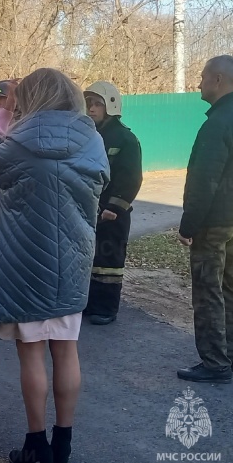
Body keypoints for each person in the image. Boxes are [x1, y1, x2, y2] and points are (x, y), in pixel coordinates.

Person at [0, 68, 109, 463]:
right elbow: (101, 180)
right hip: (71, 258)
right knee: (66, 350)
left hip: (22, 260)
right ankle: (63, 447)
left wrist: (2, 120)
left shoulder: (17, 138)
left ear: (26, 99)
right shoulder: (92, 137)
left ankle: (38, 448)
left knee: (31, 354)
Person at [176, 55, 233, 383]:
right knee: (230, 286)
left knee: (209, 290)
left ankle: (214, 363)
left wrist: (188, 224)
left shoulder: (218, 123)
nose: (199, 82)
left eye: (203, 76)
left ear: (219, 80)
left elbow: (203, 180)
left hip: (212, 222)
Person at [82, 81, 143, 326]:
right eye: (89, 104)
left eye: (98, 104)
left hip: (112, 213)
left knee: (109, 262)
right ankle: (89, 302)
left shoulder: (125, 139)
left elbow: (131, 178)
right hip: (88, 209)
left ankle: (106, 308)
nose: (92, 109)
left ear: (111, 106)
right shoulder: (87, 136)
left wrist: (114, 207)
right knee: (89, 259)